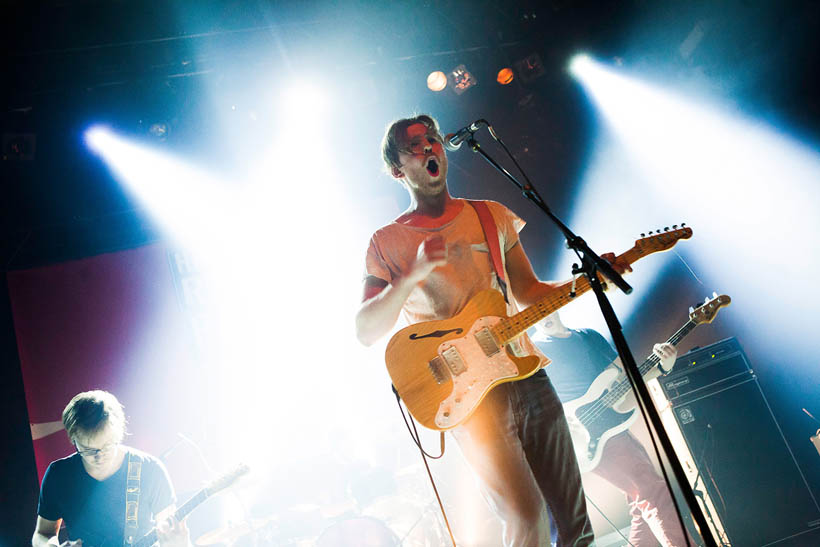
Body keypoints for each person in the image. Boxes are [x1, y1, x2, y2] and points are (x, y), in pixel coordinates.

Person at [355, 114, 629, 545]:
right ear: (396, 170)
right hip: (469, 394)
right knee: (527, 517)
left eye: (433, 140)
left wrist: (589, 280)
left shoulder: (491, 215)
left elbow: (529, 291)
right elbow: (366, 329)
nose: (429, 148)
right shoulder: (386, 242)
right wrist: (411, 275)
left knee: (574, 524)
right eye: (415, 146)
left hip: (527, 372)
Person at [532, 312, 694, 547]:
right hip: (577, 435)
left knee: (641, 500)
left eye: (542, 308)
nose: (540, 316)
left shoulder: (589, 337)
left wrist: (662, 369)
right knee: (652, 492)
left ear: (556, 306)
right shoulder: (533, 350)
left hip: (610, 428)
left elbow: (622, 385)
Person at [32, 390, 190, 547]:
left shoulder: (151, 470)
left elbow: (170, 533)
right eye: (88, 449)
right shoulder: (59, 474)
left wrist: (181, 543)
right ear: (73, 439)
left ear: (119, 434)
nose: (99, 457)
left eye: (107, 446)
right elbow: (42, 533)